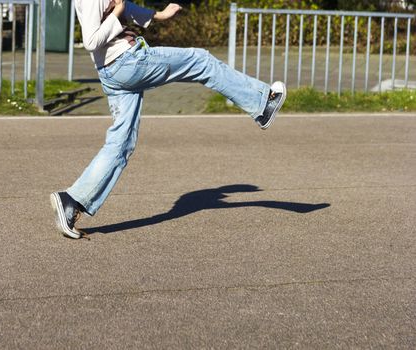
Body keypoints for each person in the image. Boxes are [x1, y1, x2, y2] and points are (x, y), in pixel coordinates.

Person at [50, 0, 287, 239]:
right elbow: (91, 40)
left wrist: (158, 15)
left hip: (114, 71)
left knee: (120, 144)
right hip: (127, 62)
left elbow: (121, 5)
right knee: (201, 60)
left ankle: (71, 202)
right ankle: (262, 103)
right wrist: (119, 13)